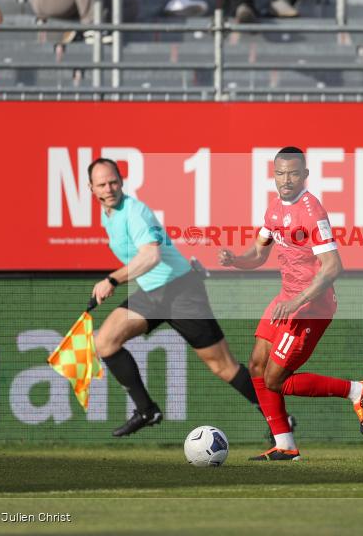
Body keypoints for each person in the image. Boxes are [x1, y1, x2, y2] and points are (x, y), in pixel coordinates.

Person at [218, 147, 363, 461]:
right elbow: (259, 254)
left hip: (311, 305)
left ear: (304, 175)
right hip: (287, 299)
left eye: (293, 173)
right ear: (274, 175)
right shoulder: (274, 209)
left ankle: (358, 391)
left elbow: (333, 266)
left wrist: (297, 301)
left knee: (275, 379)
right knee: (255, 366)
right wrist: (235, 260)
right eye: (280, 173)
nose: (286, 179)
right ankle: (285, 445)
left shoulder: (311, 211)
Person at [88, 158, 259, 437]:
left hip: (182, 291)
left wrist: (113, 279)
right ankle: (147, 411)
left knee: (223, 367)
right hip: (153, 294)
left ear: (121, 181)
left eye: (113, 182)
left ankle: (279, 418)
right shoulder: (108, 215)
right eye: (102, 184)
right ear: (91, 188)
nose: (109, 188)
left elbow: (151, 255)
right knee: (105, 342)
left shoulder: (135, 212)